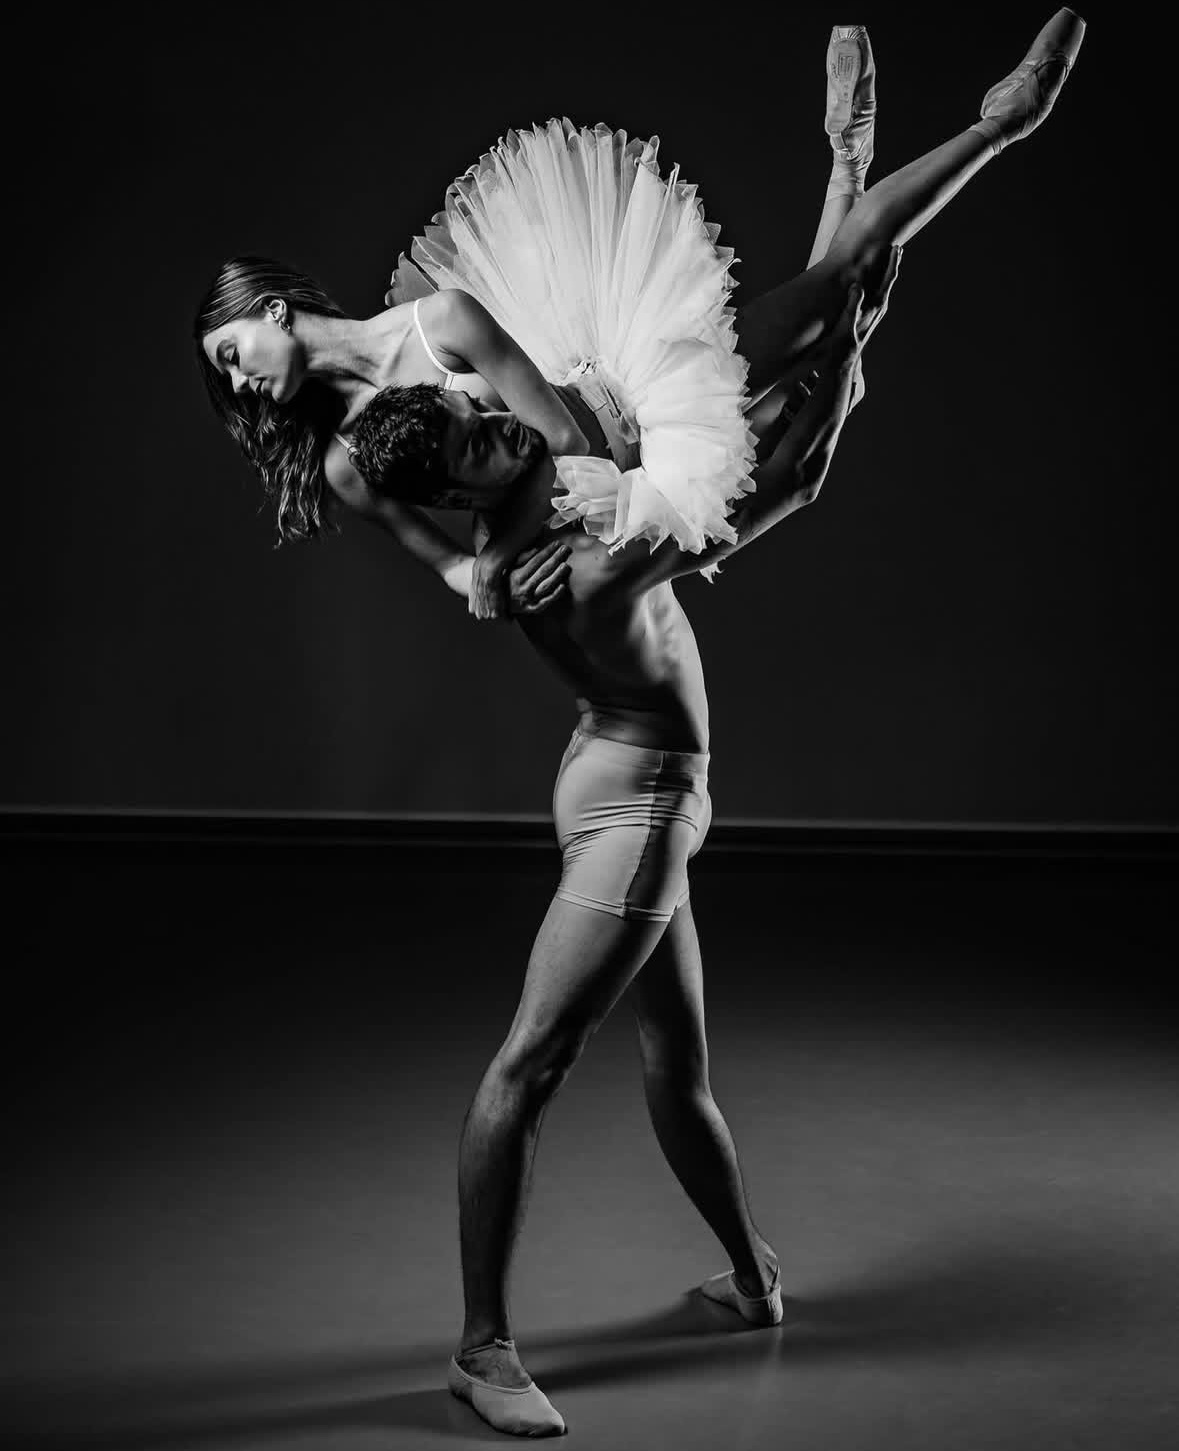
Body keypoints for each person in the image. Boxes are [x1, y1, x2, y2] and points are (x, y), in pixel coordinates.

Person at [196, 13, 1084, 624]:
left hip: (630, 394)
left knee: (846, 293)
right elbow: (462, 571)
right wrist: (489, 574)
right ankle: (848, 168)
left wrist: (499, 552)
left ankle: (1002, 122)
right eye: (227, 374)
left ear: (273, 310)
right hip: (625, 516)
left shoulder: (436, 318)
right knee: (832, 365)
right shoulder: (346, 464)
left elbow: (556, 433)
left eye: (232, 352)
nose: (240, 379)